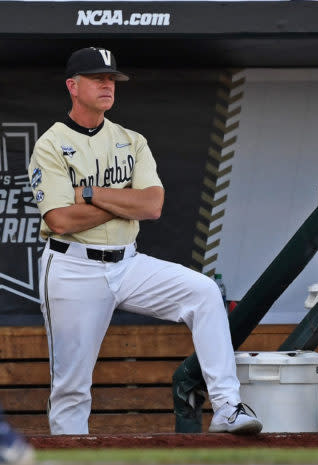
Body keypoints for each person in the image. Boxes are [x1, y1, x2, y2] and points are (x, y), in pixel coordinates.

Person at [27, 47, 262, 435]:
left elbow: (152, 206)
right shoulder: (51, 144)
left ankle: (227, 407)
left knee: (203, 292)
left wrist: (89, 193)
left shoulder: (131, 140)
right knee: (71, 385)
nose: (107, 84)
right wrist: (123, 201)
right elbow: (60, 219)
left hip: (127, 262)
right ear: (72, 86)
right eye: (97, 78)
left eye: (111, 79)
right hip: (72, 267)